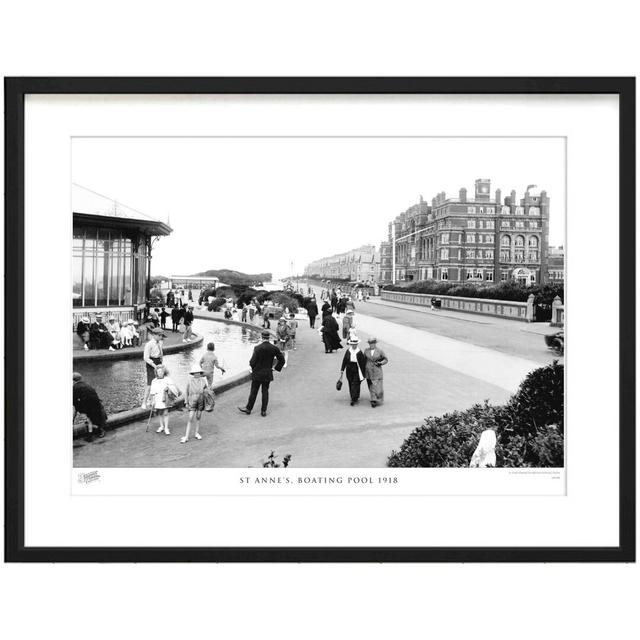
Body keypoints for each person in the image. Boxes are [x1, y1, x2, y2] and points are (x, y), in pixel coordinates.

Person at [238, 330, 285, 417]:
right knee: (265, 392)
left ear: (261, 337)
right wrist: (275, 368)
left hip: (257, 373)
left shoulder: (257, 348)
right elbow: (282, 360)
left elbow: (252, 362)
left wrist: (253, 369)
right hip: (268, 373)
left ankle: (248, 409)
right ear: (269, 337)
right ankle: (263, 411)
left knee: (254, 392)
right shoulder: (274, 348)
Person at [73, 372, 108, 440]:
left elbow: (74, 400)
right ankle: (91, 434)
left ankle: (98, 430)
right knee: (89, 420)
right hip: (96, 405)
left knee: (88, 420)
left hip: (88, 407)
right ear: (81, 378)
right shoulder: (87, 384)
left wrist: (77, 409)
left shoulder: (75, 387)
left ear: (73, 380)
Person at [181, 364, 210, 443]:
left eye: (198, 372)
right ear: (193, 373)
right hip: (192, 401)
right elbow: (186, 392)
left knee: (198, 416)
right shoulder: (189, 381)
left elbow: (207, 391)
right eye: (195, 372)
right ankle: (186, 436)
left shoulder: (203, 380)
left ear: (200, 373)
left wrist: (207, 394)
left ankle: (196, 433)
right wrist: (186, 402)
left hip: (201, 400)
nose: (197, 374)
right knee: (190, 418)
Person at [148, 365, 179, 436]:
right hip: (157, 398)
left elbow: (174, 387)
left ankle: (166, 428)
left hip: (165, 398)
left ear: (163, 372)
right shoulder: (154, 381)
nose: (160, 373)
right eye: (158, 371)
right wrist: (152, 400)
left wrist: (168, 388)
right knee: (159, 412)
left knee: (166, 413)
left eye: (161, 371)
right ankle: (161, 426)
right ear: (156, 372)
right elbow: (152, 391)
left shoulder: (167, 379)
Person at [339, 336, 367, 406]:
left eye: (355, 344)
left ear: (357, 344)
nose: (354, 345)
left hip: (357, 369)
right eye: (353, 344)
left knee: (355, 383)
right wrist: (342, 369)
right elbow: (344, 360)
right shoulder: (348, 351)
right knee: (350, 383)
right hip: (349, 369)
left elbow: (363, 363)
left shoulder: (359, 352)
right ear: (351, 344)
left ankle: (353, 399)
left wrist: (364, 373)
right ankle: (354, 396)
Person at [142, 328, 164, 408]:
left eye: (161, 335)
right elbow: (146, 358)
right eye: (159, 335)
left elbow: (161, 353)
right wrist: (154, 365)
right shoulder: (149, 344)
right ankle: (144, 402)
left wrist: (161, 363)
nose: (160, 337)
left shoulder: (160, 343)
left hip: (159, 362)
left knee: (158, 382)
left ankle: (151, 400)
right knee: (150, 383)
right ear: (154, 335)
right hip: (151, 363)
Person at [363, 337, 388, 407]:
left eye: (373, 343)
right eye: (370, 343)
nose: (371, 344)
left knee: (378, 387)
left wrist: (381, 363)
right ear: (368, 344)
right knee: (370, 385)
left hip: (377, 371)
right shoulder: (366, 351)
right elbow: (363, 360)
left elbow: (386, 359)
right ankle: (373, 400)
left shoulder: (380, 351)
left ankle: (378, 398)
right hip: (368, 371)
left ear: (375, 343)